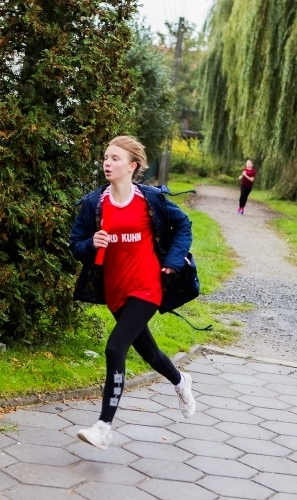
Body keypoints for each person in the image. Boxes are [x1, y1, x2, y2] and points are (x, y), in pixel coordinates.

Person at [69, 135, 196, 450]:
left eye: (115, 158)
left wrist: (172, 260)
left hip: (146, 287)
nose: (107, 163)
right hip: (115, 290)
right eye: (106, 157)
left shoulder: (149, 200)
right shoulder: (94, 204)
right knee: (150, 353)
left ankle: (104, 426)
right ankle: (181, 381)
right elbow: (76, 244)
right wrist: (91, 245)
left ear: (132, 166)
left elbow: (184, 226)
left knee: (115, 348)